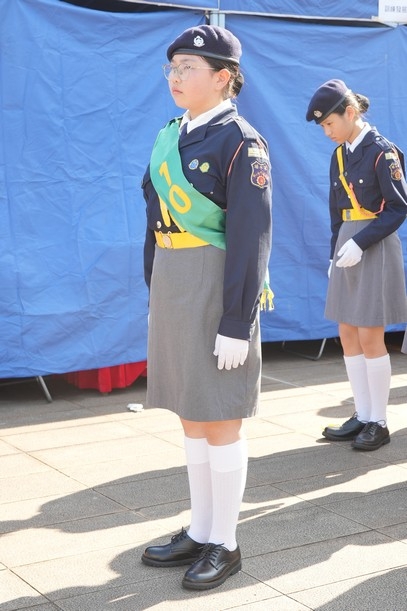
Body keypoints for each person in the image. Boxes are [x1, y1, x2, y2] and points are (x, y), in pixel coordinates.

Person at [140, 25, 272, 591]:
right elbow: (154, 215)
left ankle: (226, 541)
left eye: (187, 68)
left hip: (217, 284)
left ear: (223, 77)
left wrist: (237, 320)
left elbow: (251, 235)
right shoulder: (172, 134)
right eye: (171, 67)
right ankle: (200, 528)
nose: (175, 77)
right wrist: (156, 286)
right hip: (175, 282)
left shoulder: (241, 141)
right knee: (190, 412)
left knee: (220, 416)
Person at [306, 79, 407, 451]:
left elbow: (398, 208)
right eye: (323, 127)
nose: (327, 132)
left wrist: (360, 243)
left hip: (373, 244)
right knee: (347, 331)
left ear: (350, 112)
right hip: (347, 244)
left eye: (330, 123)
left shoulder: (382, 152)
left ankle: (379, 421)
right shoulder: (339, 155)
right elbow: (336, 210)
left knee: (369, 334)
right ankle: (362, 414)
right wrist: (335, 252)